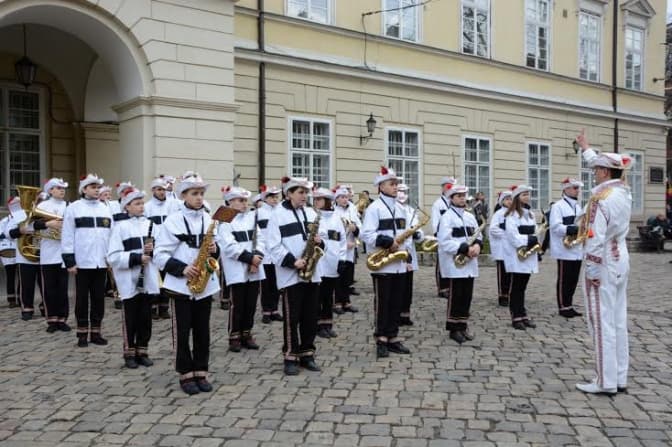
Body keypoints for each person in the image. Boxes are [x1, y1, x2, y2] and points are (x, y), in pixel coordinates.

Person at [575, 131, 632, 395]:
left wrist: (592, 269)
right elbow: (606, 168)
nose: (594, 172)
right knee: (618, 320)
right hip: (621, 257)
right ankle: (619, 377)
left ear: (606, 172)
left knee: (600, 321)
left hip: (604, 261)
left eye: (597, 169)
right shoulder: (623, 193)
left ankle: (604, 381)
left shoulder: (601, 199)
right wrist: (586, 148)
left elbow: (595, 237)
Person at [154, 172, 221, 395]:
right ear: (184, 195)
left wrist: (215, 250)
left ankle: (201, 370)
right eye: (194, 193)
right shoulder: (172, 221)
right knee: (182, 332)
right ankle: (185, 373)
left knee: (203, 331)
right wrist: (182, 268)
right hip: (181, 285)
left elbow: (215, 251)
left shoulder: (208, 219)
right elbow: (159, 255)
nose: (199, 197)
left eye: (201, 193)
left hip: (204, 284)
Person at [266, 176, 326, 375]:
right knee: (292, 317)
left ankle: (307, 353)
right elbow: (273, 245)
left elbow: (323, 238)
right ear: (289, 194)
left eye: (306, 192)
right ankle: (290, 355)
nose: (304, 196)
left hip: (312, 272)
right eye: (300, 192)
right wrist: (292, 261)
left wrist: (319, 241)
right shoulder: (277, 215)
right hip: (291, 274)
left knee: (310, 316)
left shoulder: (311, 212)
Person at [361, 166, 413, 358]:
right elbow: (366, 234)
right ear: (381, 186)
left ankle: (393, 336)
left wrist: (406, 250)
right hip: (382, 263)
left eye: (396, 184)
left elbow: (406, 233)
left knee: (396, 302)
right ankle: (381, 338)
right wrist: (387, 242)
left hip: (398, 263)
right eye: (392, 184)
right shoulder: (374, 208)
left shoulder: (401, 208)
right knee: (383, 303)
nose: (395, 187)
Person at [107, 185, 159, 369]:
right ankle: (129, 352)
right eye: (137, 203)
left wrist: (153, 251)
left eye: (142, 203)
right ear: (127, 206)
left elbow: (162, 251)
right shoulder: (120, 227)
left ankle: (142, 351)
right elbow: (113, 257)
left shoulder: (151, 225)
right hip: (129, 279)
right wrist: (136, 258)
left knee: (145, 318)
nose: (141, 206)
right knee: (131, 318)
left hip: (147, 278)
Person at [61, 174, 113, 347]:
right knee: (82, 300)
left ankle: (96, 333)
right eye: (93, 187)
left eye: (98, 187)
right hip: (82, 262)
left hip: (101, 262)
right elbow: (67, 235)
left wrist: (111, 257)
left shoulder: (105, 208)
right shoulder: (74, 208)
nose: (97, 190)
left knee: (99, 300)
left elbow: (111, 234)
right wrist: (69, 260)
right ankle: (82, 333)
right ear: (84, 189)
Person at [218, 186, 265, 352]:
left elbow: (260, 239)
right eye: (240, 200)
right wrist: (250, 258)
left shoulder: (251, 217)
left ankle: (247, 333)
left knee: (251, 304)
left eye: (246, 200)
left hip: (254, 266)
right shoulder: (225, 218)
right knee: (237, 304)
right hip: (237, 267)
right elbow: (229, 246)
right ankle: (234, 335)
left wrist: (257, 257)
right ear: (230, 201)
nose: (245, 204)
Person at [437, 183, 481, 343]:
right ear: (451, 198)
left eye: (464, 196)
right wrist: (463, 248)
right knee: (456, 296)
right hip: (455, 263)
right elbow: (444, 242)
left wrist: (478, 245)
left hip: (470, 262)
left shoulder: (470, 217)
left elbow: (478, 235)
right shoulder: (446, 217)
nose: (462, 199)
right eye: (459, 196)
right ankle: (453, 328)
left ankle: (463, 325)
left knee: (466, 296)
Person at [504, 185, 539, 330]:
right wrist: (527, 240)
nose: (527, 197)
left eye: (528, 194)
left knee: (523, 287)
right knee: (516, 287)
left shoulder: (530, 214)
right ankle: (516, 316)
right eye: (524, 194)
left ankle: (523, 314)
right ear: (517, 198)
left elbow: (535, 231)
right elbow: (512, 236)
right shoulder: (511, 215)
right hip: (517, 255)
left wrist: (535, 240)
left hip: (528, 254)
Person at [36, 178, 70, 332]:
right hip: (48, 253)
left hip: (63, 254)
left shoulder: (69, 206)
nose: (62, 190)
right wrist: (48, 224)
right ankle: (51, 320)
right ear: (50, 190)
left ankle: (62, 319)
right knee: (49, 290)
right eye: (58, 188)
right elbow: (31, 225)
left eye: (63, 188)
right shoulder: (42, 206)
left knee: (63, 289)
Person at [549, 178, 585, 318]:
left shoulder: (578, 207)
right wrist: (571, 228)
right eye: (575, 188)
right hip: (564, 249)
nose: (578, 191)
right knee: (564, 279)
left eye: (578, 188)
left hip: (577, 248)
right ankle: (563, 306)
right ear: (566, 189)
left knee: (573, 279)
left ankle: (569, 305)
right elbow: (555, 227)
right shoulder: (558, 206)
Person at [313, 187, 346, 339]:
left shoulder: (336, 218)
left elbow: (342, 241)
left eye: (319, 199)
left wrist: (342, 259)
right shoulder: (313, 216)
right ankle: (317, 324)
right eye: (315, 199)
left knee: (328, 296)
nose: (316, 202)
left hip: (333, 262)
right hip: (318, 263)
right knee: (317, 296)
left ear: (327, 201)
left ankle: (327, 323)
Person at [144, 176, 178, 320]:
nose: (162, 192)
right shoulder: (147, 207)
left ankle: (164, 307)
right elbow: (144, 227)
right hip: (153, 243)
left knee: (166, 275)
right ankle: (152, 306)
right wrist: (147, 245)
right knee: (153, 276)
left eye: (163, 189)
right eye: (158, 189)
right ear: (153, 190)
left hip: (168, 243)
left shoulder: (173, 205)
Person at [396, 182, 423, 326]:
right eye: (399, 191)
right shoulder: (393, 209)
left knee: (407, 287)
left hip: (409, 252)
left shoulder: (411, 210)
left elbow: (418, 228)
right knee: (397, 286)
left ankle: (405, 314)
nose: (402, 195)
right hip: (397, 250)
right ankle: (395, 314)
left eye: (405, 192)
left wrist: (418, 234)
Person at [256, 185, 283, 323]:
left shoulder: (280, 212)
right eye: (272, 197)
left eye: (276, 197)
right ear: (265, 198)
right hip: (265, 253)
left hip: (276, 254)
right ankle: (266, 311)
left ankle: (275, 310)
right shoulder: (259, 213)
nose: (275, 199)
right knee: (266, 285)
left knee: (276, 284)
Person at [333, 187, 360, 313]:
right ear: (336, 199)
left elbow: (360, 226)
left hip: (350, 248)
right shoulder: (333, 211)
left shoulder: (352, 209)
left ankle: (346, 301)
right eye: (342, 197)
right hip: (338, 249)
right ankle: (337, 302)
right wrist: (343, 244)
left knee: (348, 277)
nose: (345, 200)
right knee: (338, 276)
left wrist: (355, 229)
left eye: (346, 197)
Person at [431, 176, 457, 298]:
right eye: (447, 187)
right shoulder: (438, 204)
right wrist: (438, 234)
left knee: (453, 261)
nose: (450, 189)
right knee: (442, 262)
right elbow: (435, 221)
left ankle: (452, 285)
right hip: (443, 236)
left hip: (455, 236)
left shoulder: (454, 202)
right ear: (443, 188)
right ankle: (442, 288)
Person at [488, 190, 513, 307]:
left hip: (513, 248)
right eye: (507, 199)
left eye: (511, 199)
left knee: (513, 273)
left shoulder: (516, 213)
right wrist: (508, 235)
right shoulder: (498, 214)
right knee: (503, 274)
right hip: (502, 249)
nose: (510, 201)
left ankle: (511, 294)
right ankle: (503, 295)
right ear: (502, 201)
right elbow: (493, 229)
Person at [0, 214, 17, 308]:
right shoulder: (4, 221)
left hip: (19, 251)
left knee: (22, 277)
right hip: (6, 250)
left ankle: (21, 298)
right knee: (10, 276)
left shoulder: (22, 219)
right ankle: (11, 300)